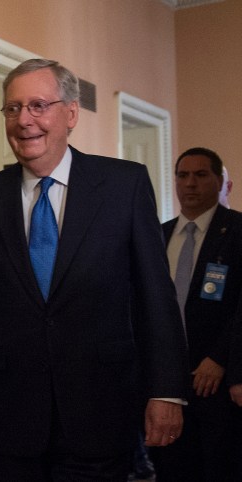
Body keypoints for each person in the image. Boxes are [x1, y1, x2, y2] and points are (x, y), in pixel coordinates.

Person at [0, 58, 188, 481]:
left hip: (101, 413)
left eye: (38, 106)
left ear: (71, 113)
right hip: (8, 420)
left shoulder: (123, 186)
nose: (24, 121)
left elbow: (155, 298)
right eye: (13, 108)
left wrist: (167, 391)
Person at [150, 147, 242, 481]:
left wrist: (221, 358)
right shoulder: (157, 235)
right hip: (166, 382)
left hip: (218, 382)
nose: (190, 184)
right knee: (172, 468)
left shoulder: (236, 231)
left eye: (201, 175)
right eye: (183, 175)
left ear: (220, 182)